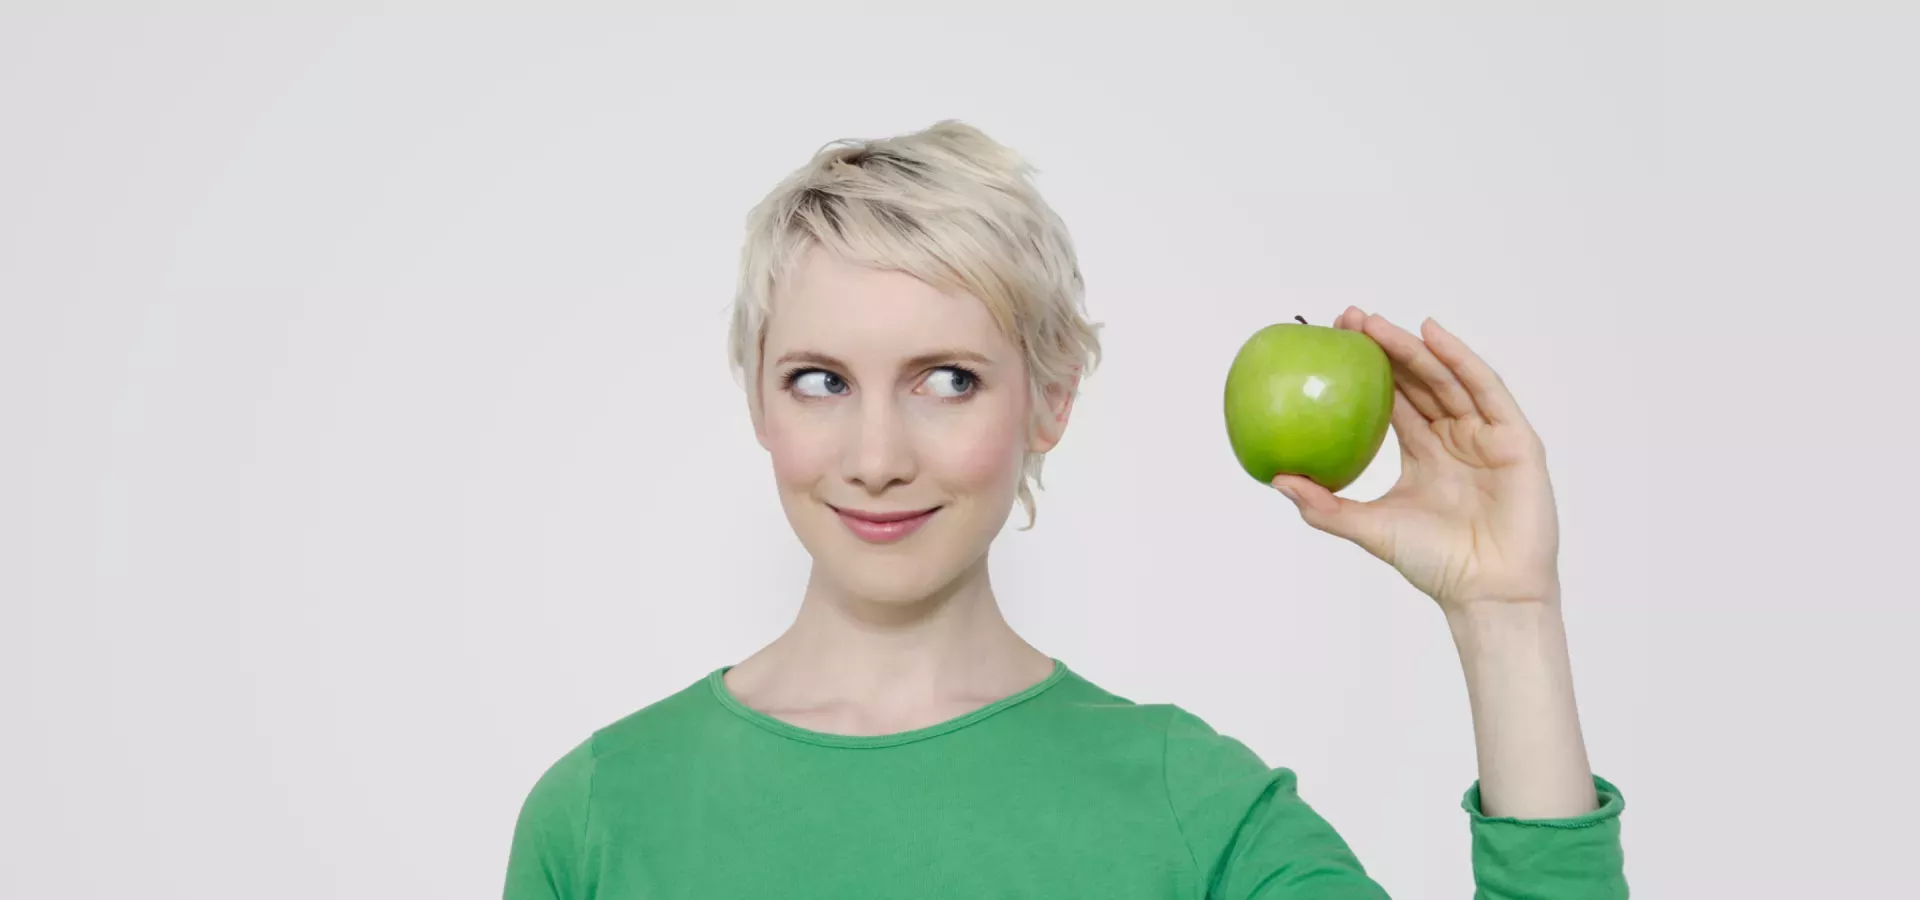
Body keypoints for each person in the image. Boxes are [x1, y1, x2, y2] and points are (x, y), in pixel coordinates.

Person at [502, 120, 1626, 899]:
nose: (878, 455)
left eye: (948, 379)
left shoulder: (1188, 803)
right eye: (821, 381)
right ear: (758, 400)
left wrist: (1507, 617)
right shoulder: (600, 813)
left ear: (1050, 403)